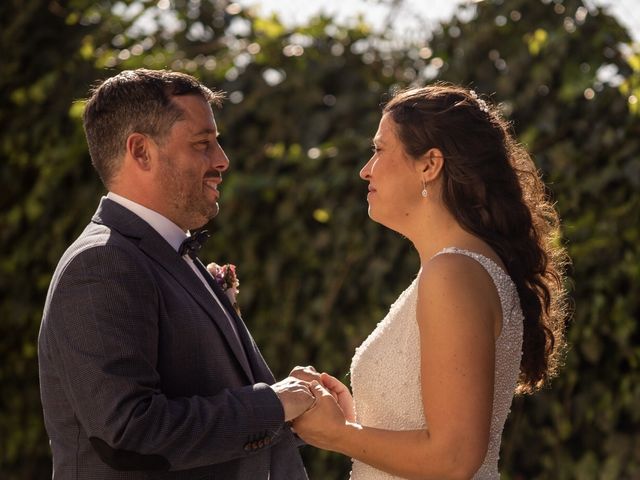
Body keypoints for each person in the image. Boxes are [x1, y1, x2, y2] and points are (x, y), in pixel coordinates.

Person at [38, 68, 318, 479]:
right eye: (203, 144)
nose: (222, 160)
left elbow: (212, 410)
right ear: (141, 152)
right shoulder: (102, 264)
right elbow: (130, 433)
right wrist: (272, 404)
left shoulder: (169, 254)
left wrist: (295, 412)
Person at [293, 83, 569, 479]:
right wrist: (351, 419)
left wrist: (336, 435)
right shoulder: (454, 270)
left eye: (379, 149)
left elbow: (454, 458)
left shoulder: (453, 274)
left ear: (429, 164)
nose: (365, 170)